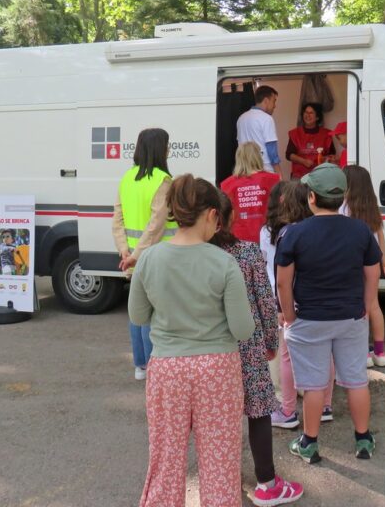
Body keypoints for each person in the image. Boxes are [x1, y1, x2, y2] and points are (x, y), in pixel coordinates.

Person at [129, 174, 255, 507]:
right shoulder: (224, 263)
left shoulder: (150, 259)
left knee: (165, 461)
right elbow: (243, 329)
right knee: (220, 464)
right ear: (213, 215)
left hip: (167, 369)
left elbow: (138, 316)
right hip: (217, 369)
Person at [276, 163, 381, 464]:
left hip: (309, 318)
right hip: (350, 317)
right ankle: (363, 439)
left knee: (313, 384)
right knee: (356, 379)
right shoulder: (360, 230)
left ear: (311, 197)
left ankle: (309, 443)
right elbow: (371, 274)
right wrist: (366, 305)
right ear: (343, 195)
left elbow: (284, 281)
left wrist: (289, 316)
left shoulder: (294, 233)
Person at [210, 192, 303, 507]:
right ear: (231, 217)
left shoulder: (201, 256)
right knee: (259, 411)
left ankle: (223, 480)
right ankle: (266, 481)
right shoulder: (248, 254)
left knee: (219, 417)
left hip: (213, 345)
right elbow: (265, 300)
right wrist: (271, 342)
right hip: (249, 347)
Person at [263, 182, 335, 428]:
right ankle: (325, 405)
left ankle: (288, 411)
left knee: (287, 357)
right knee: (326, 354)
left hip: (292, 303)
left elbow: (279, 275)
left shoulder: (278, 232)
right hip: (320, 301)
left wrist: (283, 309)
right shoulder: (318, 230)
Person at [112, 128, 178, 381]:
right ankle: (154, 367)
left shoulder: (127, 178)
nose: (169, 150)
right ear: (160, 149)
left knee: (136, 310)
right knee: (153, 312)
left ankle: (140, 364)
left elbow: (117, 219)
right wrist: (136, 254)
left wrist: (125, 251)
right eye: (167, 145)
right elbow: (157, 224)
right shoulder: (162, 180)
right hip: (157, 257)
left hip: (132, 258)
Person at [342, 166, 385, 367]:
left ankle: (364, 354)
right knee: (373, 305)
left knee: (358, 307)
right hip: (371, 259)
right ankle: (380, 353)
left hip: (352, 260)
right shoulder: (372, 205)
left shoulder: (344, 207)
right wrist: (383, 260)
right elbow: (380, 235)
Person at [220, 142, 280, 243]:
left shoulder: (227, 184)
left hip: (238, 239)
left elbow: (225, 215)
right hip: (268, 237)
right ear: (258, 157)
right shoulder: (273, 179)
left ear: (238, 158)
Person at [237, 85, 281, 175]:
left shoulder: (241, 118)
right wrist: (278, 172)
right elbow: (271, 148)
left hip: (246, 171)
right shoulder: (266, 118)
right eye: (274, 101)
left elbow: (239, 145)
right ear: (266, 101)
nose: (275, 106)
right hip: (265, 169)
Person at [286, 103, 336, 179]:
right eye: (306, 112)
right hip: (299, 176)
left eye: (311, 113)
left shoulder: (326, 134)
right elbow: (289, 154)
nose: (307, 115)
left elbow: (332, 155)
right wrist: (303, 161)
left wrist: (323, 159)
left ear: (317, 117)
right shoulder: (295, 133)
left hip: (321, 176)